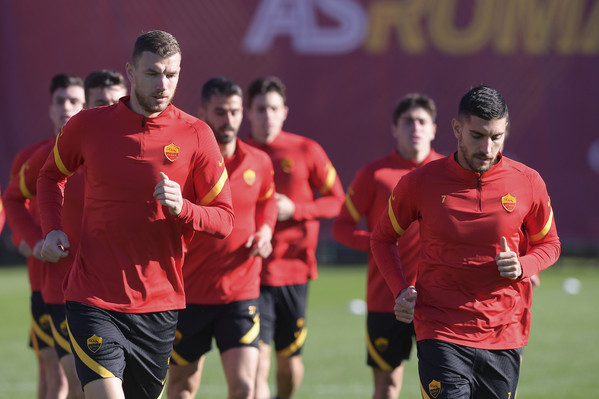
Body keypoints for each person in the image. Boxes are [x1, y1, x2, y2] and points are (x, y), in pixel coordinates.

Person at [36, 30, 234, 399]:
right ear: (130, 71)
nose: (163, 84)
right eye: (153, 73)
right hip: (93, 297)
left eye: (171, 74)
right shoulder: (88, 124)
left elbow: (224, 220)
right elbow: (49, 176)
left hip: (160, 306)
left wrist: (184, 209)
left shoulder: (196, 134)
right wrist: (52, 229)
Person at [371, 85, 561, 398]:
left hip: (504, 331)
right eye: (477, 135)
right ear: (457, 129)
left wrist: (524, 265)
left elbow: (550, 244)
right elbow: (383, 238)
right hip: (439, 326)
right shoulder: (420, 182)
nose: (487, 147)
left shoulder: (528, 181)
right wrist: (401, 290)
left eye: (496, 136)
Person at [167, 77, 277, 399]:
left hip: (240, 295)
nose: (228, 120)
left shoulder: (259, 161)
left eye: (234, 111)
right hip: (190, 294)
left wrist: (266, 230)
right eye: (219, 112)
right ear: (203, 112)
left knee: (245, 387)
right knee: (183, 387)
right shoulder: (186, 162)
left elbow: (267, 199)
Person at [332, 94, 443, 399]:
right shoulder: (375, 174)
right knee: (387, 386)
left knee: (440, 388)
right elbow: (341, 227)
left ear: (434, 129)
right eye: (407, 122)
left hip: (438, 299)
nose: (415, 128)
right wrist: (378, 243)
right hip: (386, 299)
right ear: (394, 128)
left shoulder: (448, 173)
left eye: (422, 122)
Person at [245, 76, 345, 399]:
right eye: (260, 109)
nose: (267, 116)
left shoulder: (306, 149)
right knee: (256, 362)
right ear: (249, 112)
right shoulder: (240, 153)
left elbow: (336, 201)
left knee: (288, 363)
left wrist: (297, 209)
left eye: (273, 108)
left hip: (294, 271)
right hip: (252, 271)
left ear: (285, 111)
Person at [3, 73, 86, 399]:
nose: (67, 107)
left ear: (86, 106)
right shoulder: (31, 158)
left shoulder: (95, 157)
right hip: (46, 282)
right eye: (60, 101)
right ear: (50, 109)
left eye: (74, 101)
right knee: (52, 371)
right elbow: (14, 204)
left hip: (90, 281)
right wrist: (31, 243)